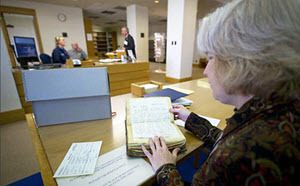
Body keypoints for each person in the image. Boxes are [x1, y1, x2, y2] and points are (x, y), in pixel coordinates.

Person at [141, 0, 300, 185]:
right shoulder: (274, 112)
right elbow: (225, 140)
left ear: (241, 61)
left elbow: (231, 148)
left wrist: (165, 167)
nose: (206, 71)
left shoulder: (245, 154)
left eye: (210, 58)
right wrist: (191, 119)